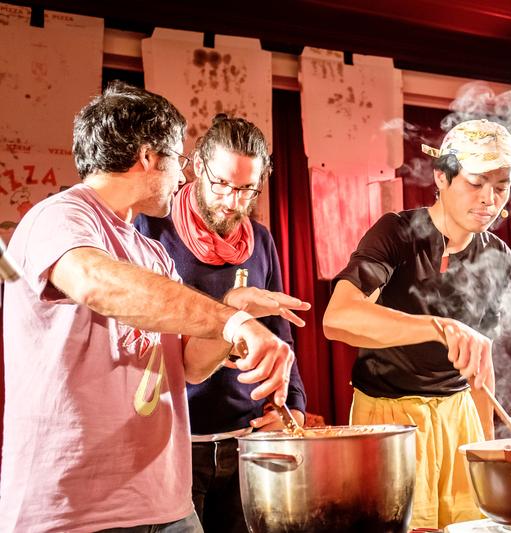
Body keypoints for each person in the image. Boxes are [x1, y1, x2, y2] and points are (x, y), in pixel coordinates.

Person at [0, 81, 302, 533]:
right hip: (77, 509)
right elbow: (96, 282)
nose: (183, 177)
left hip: (165, 502)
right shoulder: (60, 216)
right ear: (147, 157)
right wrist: (232, 321)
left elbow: (189, 367)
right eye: (179, 161)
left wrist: (233, 310)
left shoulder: (152, 252)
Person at [323, 118, 511, 529]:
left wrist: (484, 449)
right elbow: (337, 318)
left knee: (473, 525)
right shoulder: (397, 233)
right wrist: (438, 326)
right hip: (389, 417)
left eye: (500, 186)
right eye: (476, 182)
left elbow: (478, 368)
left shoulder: (498, 255)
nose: (490, 200)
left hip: (459, 414)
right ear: (441, 177)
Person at [136, 114, 309, 533]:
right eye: (222, 185)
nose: (233, 202)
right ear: (195, 165)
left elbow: (279, 330)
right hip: (175, 442)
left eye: (248, 189)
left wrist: (297, 406)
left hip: (245, 441)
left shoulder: (261, 240)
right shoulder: (151, 230)